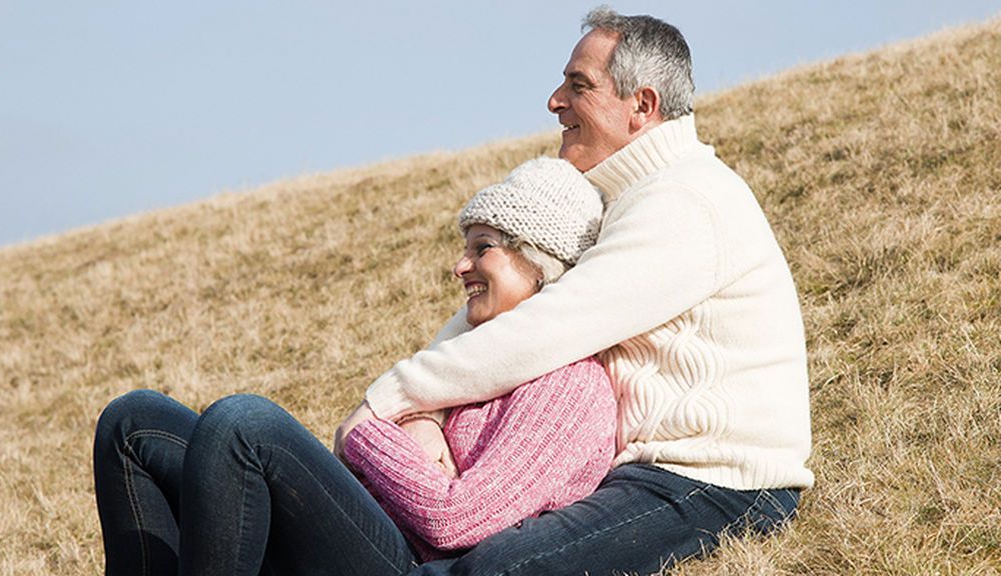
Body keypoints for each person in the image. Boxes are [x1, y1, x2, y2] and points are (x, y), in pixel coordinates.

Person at [336, 7, 814, 575]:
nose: (554, 100)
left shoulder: (686, 201)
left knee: (492, 570)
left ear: (643, 105)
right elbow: (503, 317)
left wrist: (385, 402)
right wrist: (423, 410)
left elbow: (548, 329)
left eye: (578, 85)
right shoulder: (621, 199)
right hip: (644, 472)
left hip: (717, 482)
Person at [92, 157, 614, 575]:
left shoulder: (570, 386)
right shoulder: (477, 359)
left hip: (410, 563)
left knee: (243, 424)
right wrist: (416, 428)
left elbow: (457, 518)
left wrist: (370, 431)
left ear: (539, 263)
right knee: (133, 421)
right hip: (367, 533)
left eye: (482, 248)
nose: (459, 266)